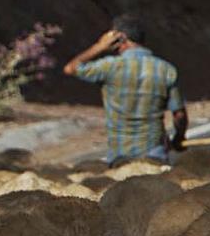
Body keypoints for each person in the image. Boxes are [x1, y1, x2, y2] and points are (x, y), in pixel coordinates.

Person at [64, 14, 187, 165]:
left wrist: (99, 46)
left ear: (119, 38)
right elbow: (179, 115)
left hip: (120, 155)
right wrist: (178, 138)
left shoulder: (108, 67)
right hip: (154, 153)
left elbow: (71, 68)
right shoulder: (166, 69)